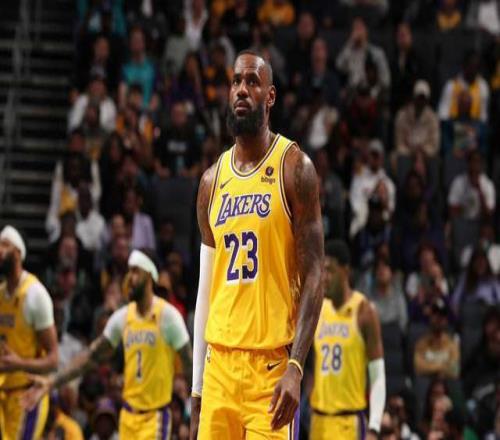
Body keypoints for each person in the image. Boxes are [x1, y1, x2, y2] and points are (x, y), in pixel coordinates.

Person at [190, 51, 324, 439]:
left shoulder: (294, 168)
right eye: (236, 81)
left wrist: (296, 367)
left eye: (252, 81)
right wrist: (197, 391)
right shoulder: (211, 182)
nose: (241, 90)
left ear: (270, 96)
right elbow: (205, 291)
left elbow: (316, 273)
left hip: (271, 368)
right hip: (219, 367)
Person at [22, 250, 193, 440]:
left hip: (156, 418)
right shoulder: (123, 317)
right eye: (129, 271)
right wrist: (52, 382)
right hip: (127, 417)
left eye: (135, 271)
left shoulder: (168, 316)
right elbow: (91, 356)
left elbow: (189, 364)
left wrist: (193, 412)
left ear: (150, 275)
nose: (130, 278)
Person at [309, 240, 385, 439]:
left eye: (330, 270)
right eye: (322, 271)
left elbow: (377, 375)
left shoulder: (364, 311)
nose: (325, 277)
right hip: (318, 421)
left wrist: (374, 426)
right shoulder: (318, 309)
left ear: (346, 271)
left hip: (348, 422)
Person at [0, 225, 58, 439]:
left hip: (27, 394)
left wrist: (19, 363)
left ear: (18, 252)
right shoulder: (1, 294)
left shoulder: (35, 295)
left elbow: (53, 360)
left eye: (4, 244)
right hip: (3, 393)